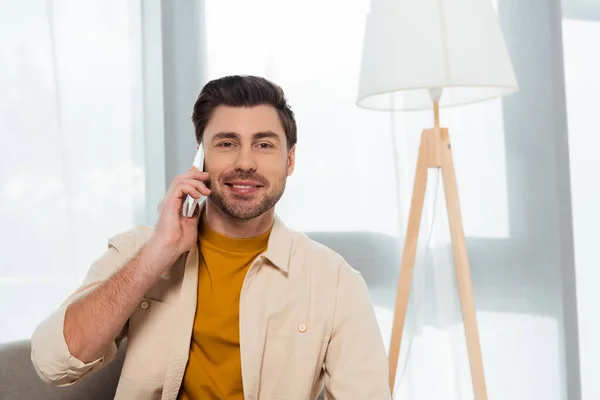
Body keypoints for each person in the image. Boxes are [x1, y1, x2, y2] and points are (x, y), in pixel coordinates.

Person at [31, 75, 390, 399]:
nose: (245, 162)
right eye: (226, 144)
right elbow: (51, 362)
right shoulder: (140, 250)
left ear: (290, 161)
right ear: (200, 158)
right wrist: (156, 256)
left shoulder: (335, 283)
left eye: (264, 145)